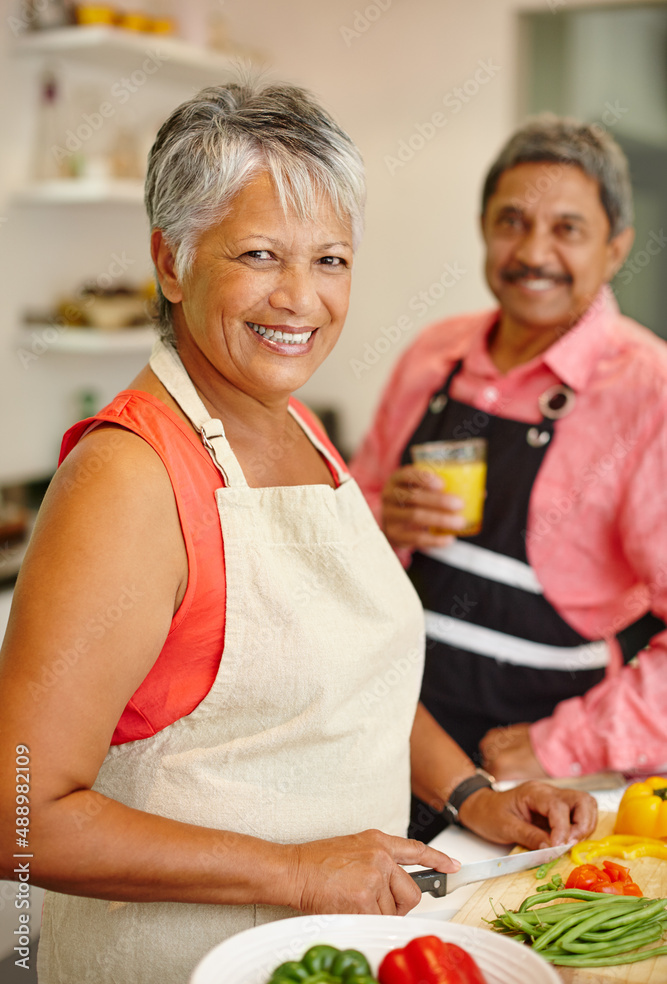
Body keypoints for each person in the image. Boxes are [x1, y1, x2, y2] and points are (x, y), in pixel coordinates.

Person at [0, 87, 595, 984]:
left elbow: (358, 684)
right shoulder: (128, 479)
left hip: (328, 956)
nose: (302, 298)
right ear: (172, 261)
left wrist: (475, 795)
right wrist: (295, 869)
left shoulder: (298, 427)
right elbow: (20, 818)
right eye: (259, 255)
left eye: (330, 259)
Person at [351, 114, 667, 841]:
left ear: (615, 247)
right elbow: (349, 530)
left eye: (566, 229)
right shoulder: (436, 355)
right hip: (386, 738)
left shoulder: (646, 392)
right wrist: (380, 521)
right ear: (483, 228)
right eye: (512, 222)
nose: (533, 252)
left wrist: (560, 746)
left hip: (536, 785)